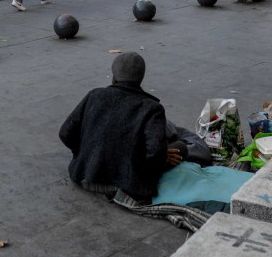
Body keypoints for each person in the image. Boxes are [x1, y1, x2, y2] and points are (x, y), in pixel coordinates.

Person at [59, 52, 207, 204]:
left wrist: (87, 153)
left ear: (113, 77)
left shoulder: (94, 95)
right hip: (127, 187)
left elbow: (65, 133)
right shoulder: (152, 108)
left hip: (84, 176)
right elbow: (154, 154)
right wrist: (163, 156)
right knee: (180, 147)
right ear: (140, 79)